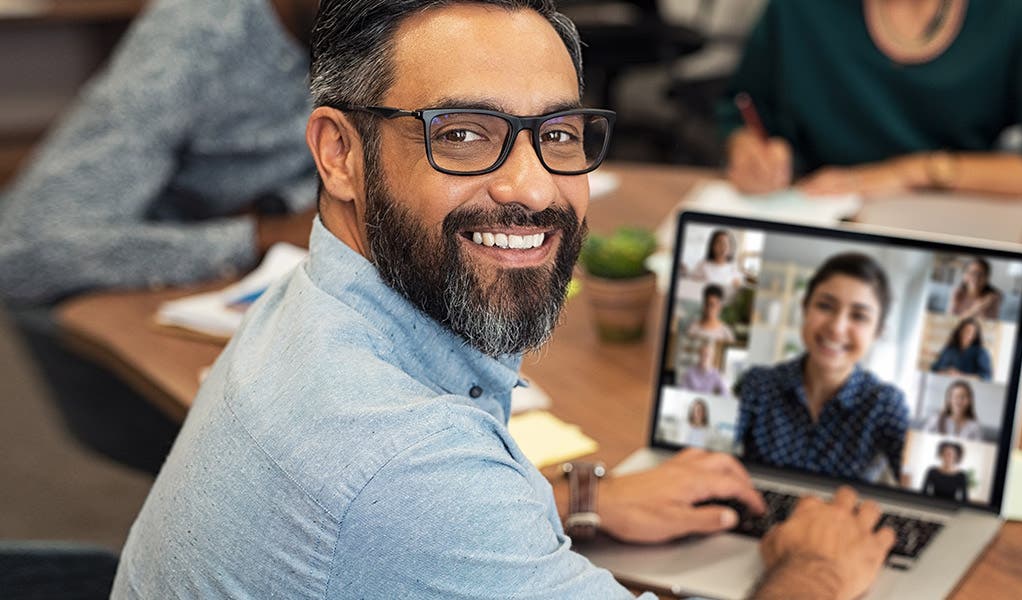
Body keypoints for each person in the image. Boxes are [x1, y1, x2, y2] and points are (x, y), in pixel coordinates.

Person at [112, 2, 895, 598]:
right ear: (339, 154)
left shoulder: (305, 306)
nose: (531, 186)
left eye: (557, 133)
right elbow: (408, 501)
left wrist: (581, 501)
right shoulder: (408, 467)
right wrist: (815, 570)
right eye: (462, 133)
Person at [0, 0, 322, 306]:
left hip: (240, 283)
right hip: (99, 311)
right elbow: (24, 252)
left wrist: (283, 206)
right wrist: (259, 237)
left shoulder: (348, 37)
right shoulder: (196, 36)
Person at [720, 0, 1022, 201]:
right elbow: (739, 107)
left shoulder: (1011, 11)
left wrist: (912, 172)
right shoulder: (800, 9)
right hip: (819, 219)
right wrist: (745, 147)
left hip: (951, 229)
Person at [736, 252, 909, 483]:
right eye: (825, 306)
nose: (837, 328)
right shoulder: (757, 385)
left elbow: (923, 483)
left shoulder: (885, 404)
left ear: (877, 332)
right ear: (805, 308)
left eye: (858, 316)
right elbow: (705, 455)